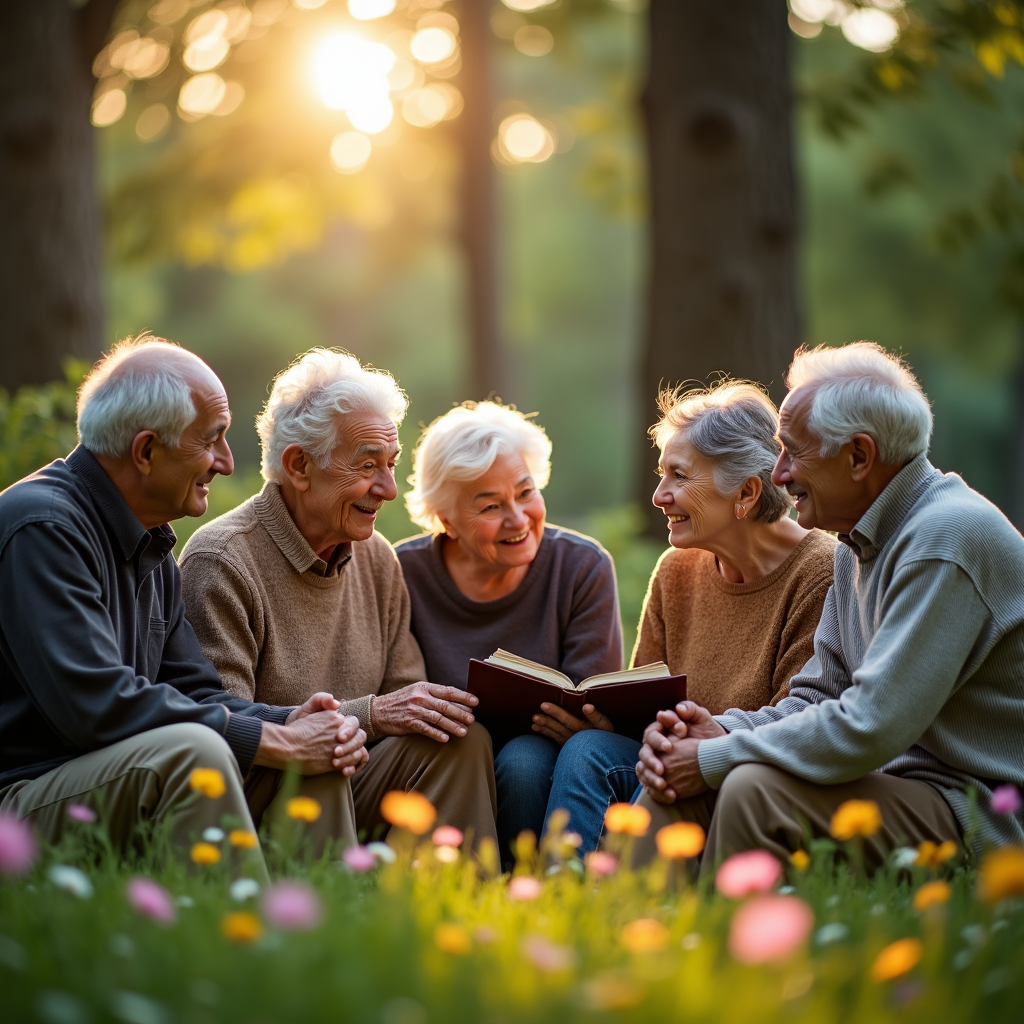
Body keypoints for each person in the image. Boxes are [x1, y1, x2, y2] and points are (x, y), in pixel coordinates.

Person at [635, 342, 1024, 869]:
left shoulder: (944, 540)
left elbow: (870, 725)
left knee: (750, 788)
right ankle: (635, 933)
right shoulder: (857, 543)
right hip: (894, 786)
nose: (778, 474)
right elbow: (818, 695)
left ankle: (728, 945)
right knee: (678, 782)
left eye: (794, 452)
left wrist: (712, 758)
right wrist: (718, 732)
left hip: (976, 810)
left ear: (859, 456)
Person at [0, 337, 367, 876]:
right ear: (146, 451)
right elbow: (95, 706)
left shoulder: (150, 540)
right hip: (25, 799)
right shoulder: (43, 526)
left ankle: (322, 944)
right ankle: (244, 951)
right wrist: (272, 740)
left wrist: (292, 723)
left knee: (316, 756)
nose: (226, 461)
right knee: (198, 752)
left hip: (106, 779)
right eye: (213, 440)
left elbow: (192, 691)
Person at [179, 349, 497, 847]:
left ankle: (445, 905)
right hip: (262, 794)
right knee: (327, 748)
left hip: (354, 778)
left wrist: (383, 715)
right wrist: (364, 715)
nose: (389, 489)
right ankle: (328, 912)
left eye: (390, 465)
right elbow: (221, 728)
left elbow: (404, 704)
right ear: (299, 466)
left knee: (457, 741)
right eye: (368, 465)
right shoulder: (222, 560)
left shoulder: (376, 558)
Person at [542, 382, 836, 852]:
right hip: (673, 761)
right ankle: (566, 895)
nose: (659, 496)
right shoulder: (676, 568)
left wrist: (702, 746)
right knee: (586, 750)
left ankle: (635, 896)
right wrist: (608, 722)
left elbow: (799, 723)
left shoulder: (820, 572)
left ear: (746, 491)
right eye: (662, 475)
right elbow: (642, 699)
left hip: (752, 773)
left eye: (679, 477)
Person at [395, 401, 623, 864]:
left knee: (523, 761)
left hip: (547, 753)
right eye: (491, 507)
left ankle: (531, 892)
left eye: (525, 493)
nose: (518, 519)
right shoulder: (400, 572)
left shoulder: (583, 566)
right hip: (442, 753)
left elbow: (589, 696)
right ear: (446, 521)